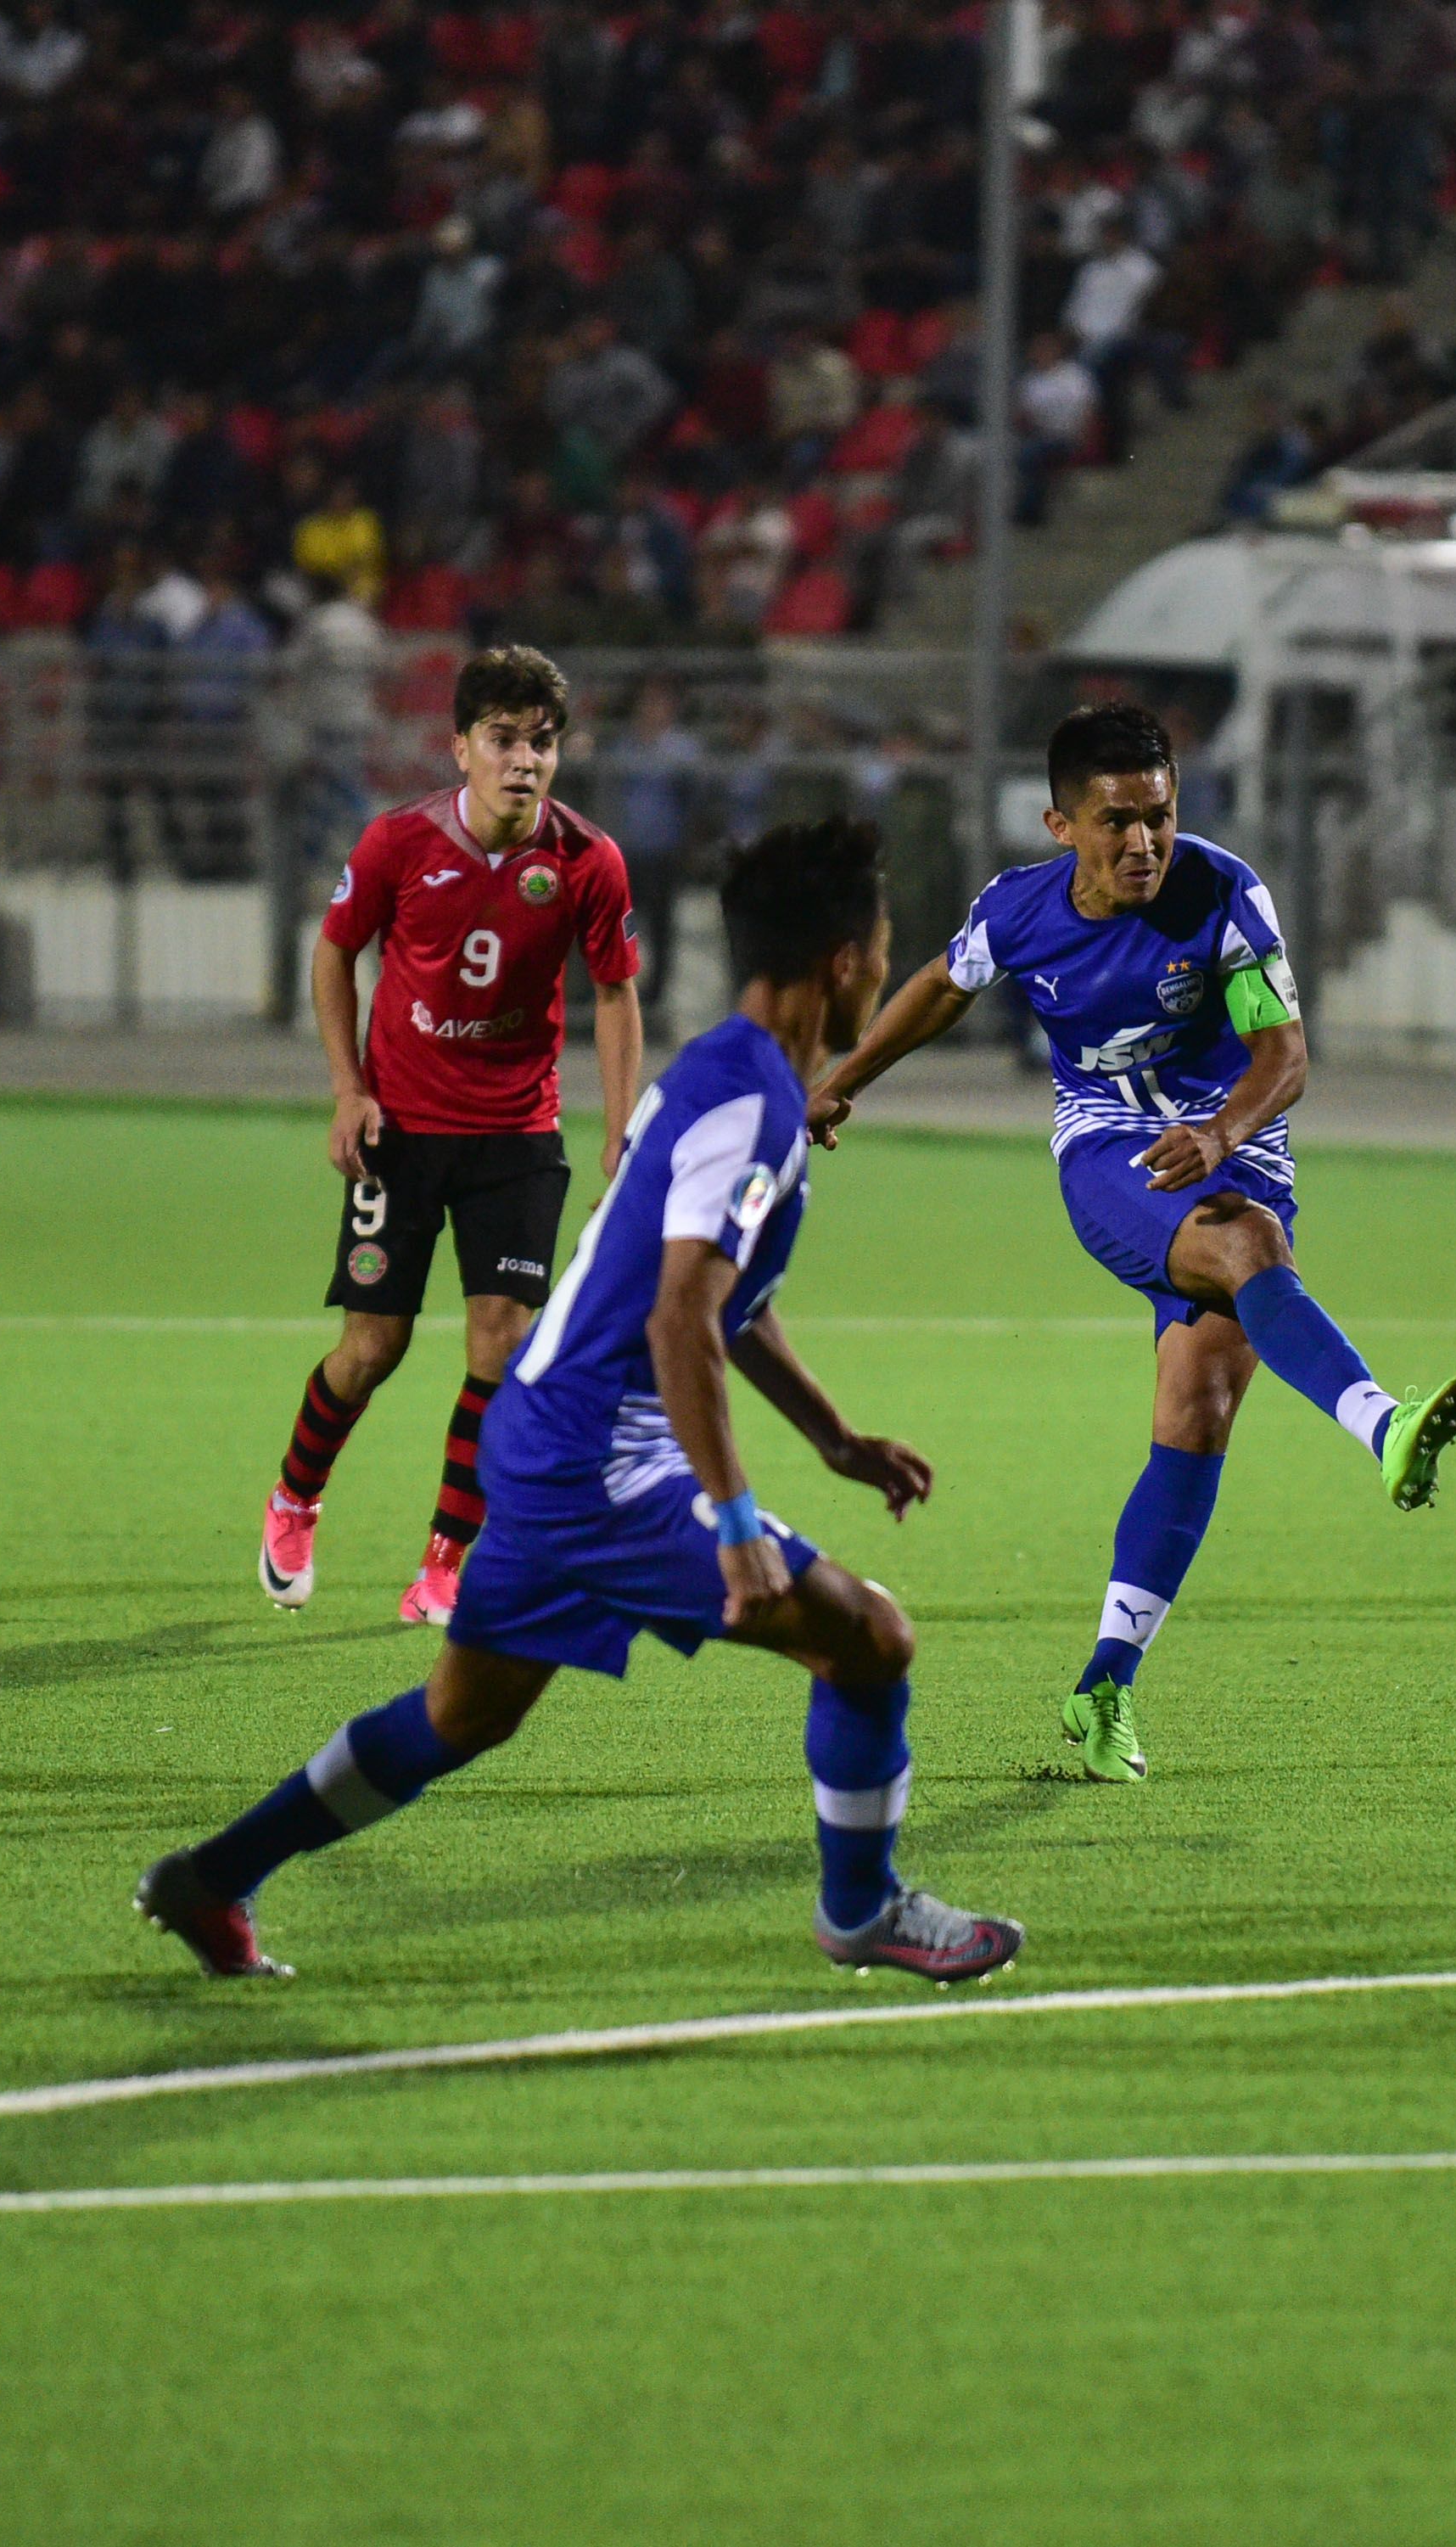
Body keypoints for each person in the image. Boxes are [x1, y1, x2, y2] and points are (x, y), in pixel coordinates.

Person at [145, 819, 1018, 1988]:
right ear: (848, 960)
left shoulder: (723, 1070)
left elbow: (725, 1300)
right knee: (868, 1638)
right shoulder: (754, 1100)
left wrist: (834, 1437)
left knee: (463, 1714)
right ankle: (860, 1910)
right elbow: (676, 1320)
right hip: (600, 1459)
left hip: (547, 1437)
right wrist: (739, 1521)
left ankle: (211, 1876)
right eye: (882, 944)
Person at [801, 704, 1456, 1784]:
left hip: (1232, 1143)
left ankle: (1104, 1684)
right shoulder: (1019, 912)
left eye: (1157, 816)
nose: (1142, 844)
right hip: (1111, 1153)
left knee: (1196, 1415)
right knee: (1251, 1249)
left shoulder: (1222, 891)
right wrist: (841, 1081)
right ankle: (1383, 1427)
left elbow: (1285, 1054)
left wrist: (1221, 1128)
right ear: (1059, 823)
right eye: (1115, 821)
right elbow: (940, 986)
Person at [266, 646, 644, 1629]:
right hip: (404, 1128)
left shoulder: (586, 859)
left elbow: (613, 990)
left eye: (542, 742)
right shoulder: (398, 842)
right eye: (504, 739)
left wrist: (619, 1131)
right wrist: (347, 1090)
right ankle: (295, 1498)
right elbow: (336, 950)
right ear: (461, 747)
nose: (524, 759)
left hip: (516, 1132)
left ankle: (444, 1561)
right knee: (371, 1348)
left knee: (500, 1341)